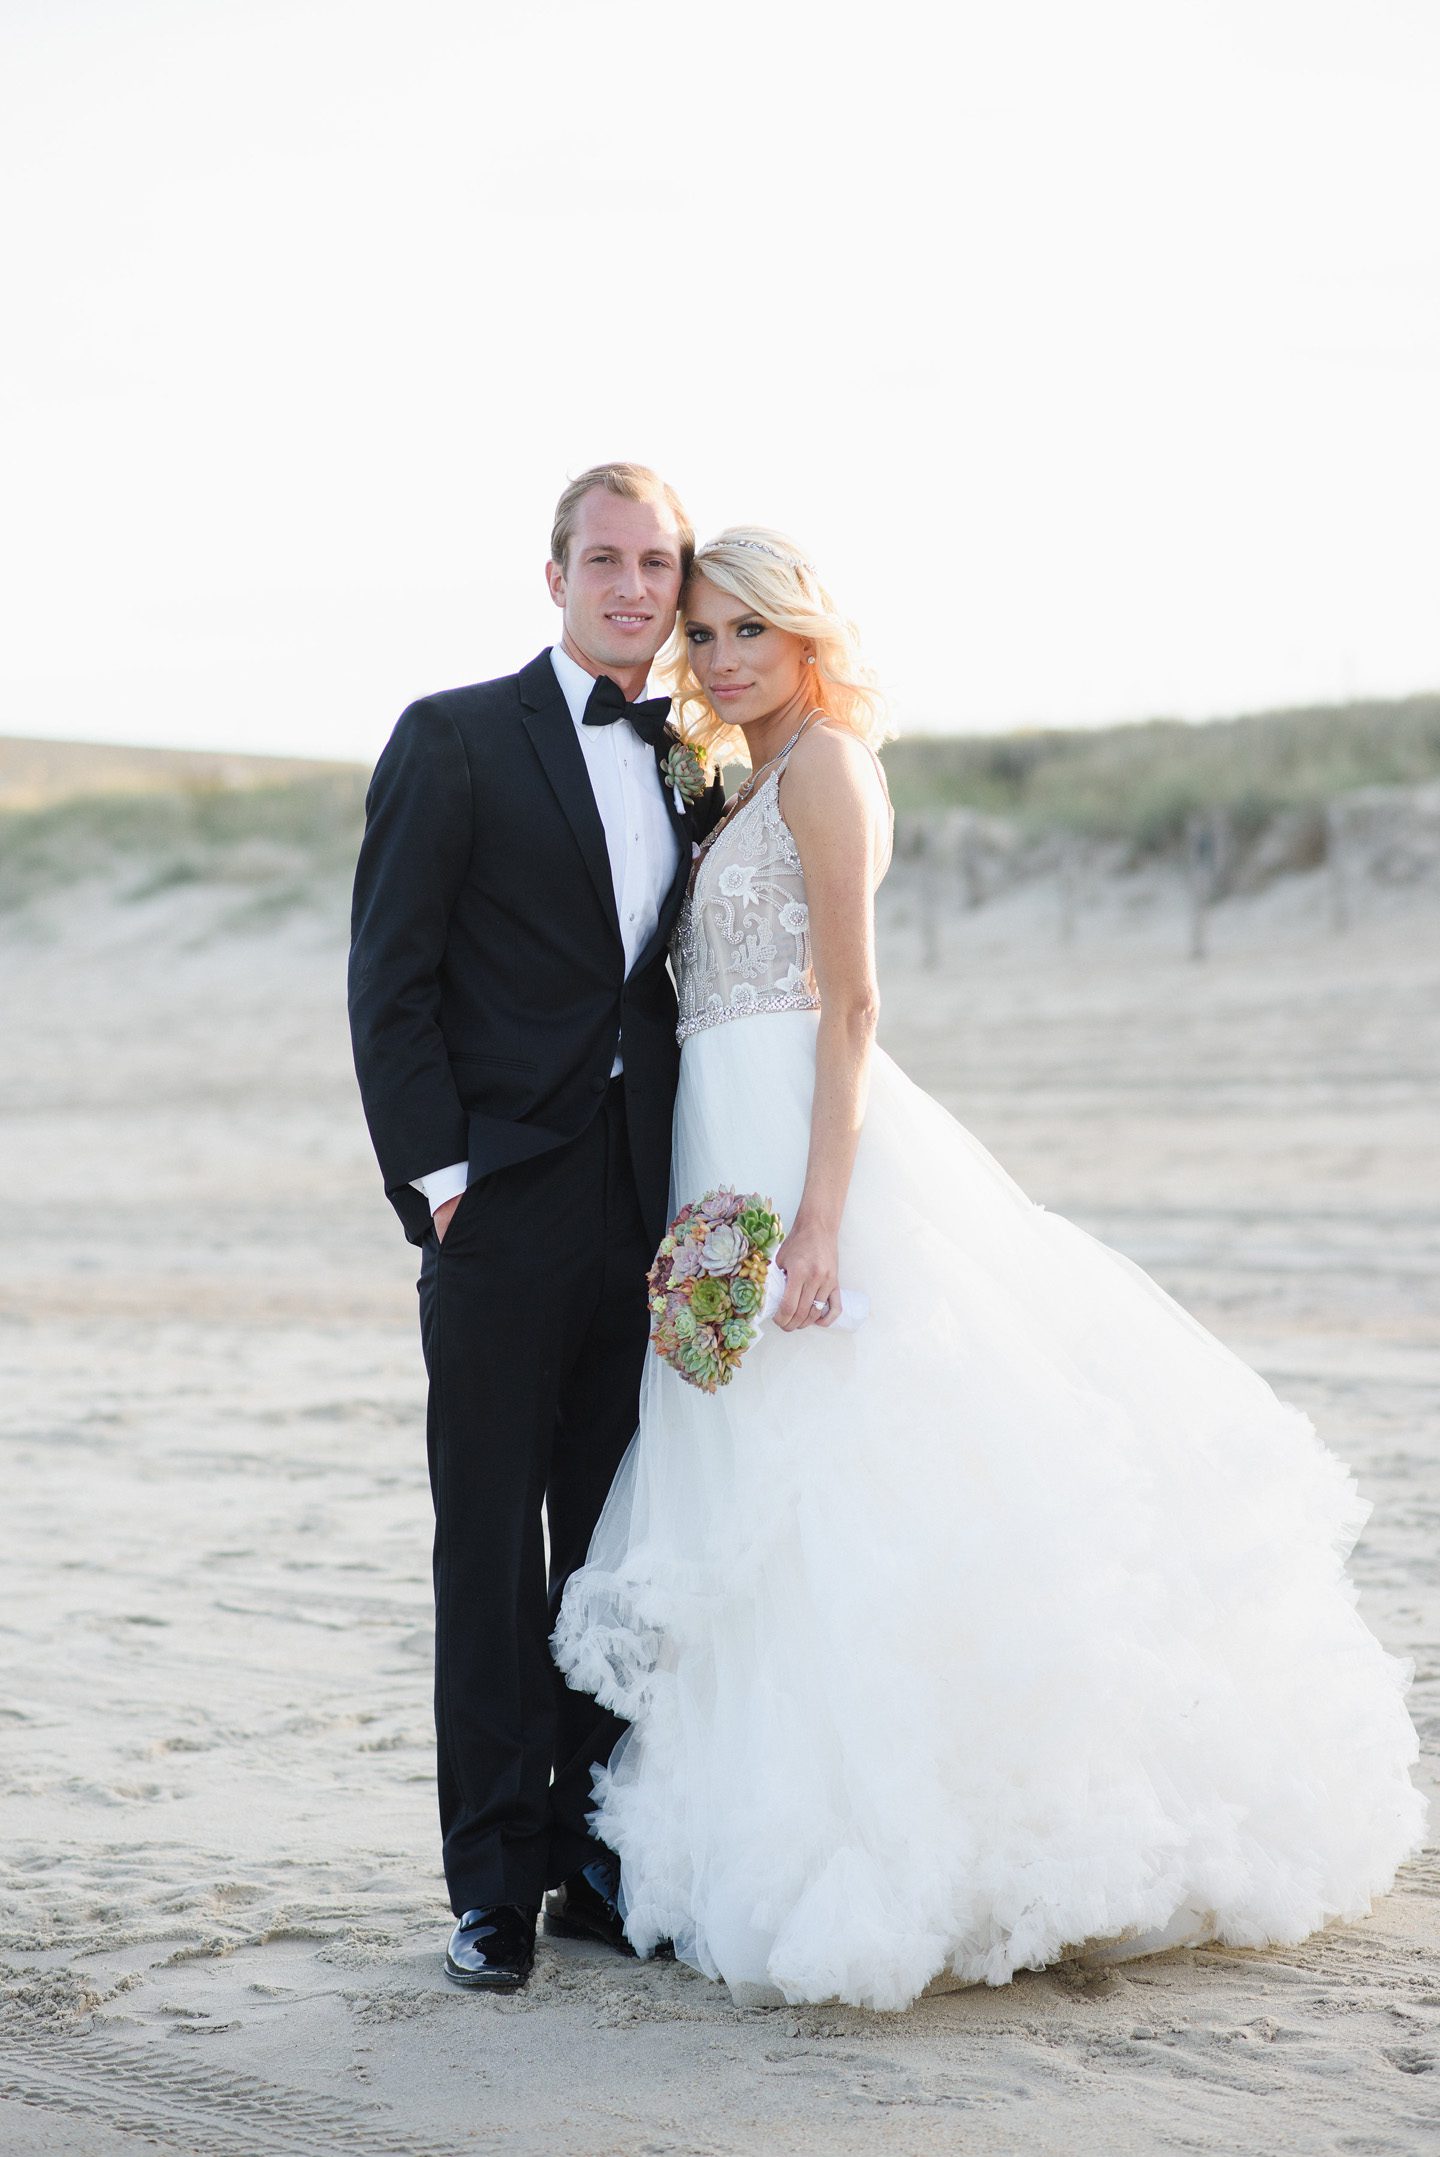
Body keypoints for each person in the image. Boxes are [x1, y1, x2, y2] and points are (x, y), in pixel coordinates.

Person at [551, 526, 1428, 2012]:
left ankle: (908, 1835)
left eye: (745, 627)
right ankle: (755, 1825)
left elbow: (855, 999)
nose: (718, 655)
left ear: (804, 630)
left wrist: (818, 1216)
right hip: (719, 1143)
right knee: (754, 1475)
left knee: (851, 1461)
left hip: (802, 1147)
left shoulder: (826, 764)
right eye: (701, 634)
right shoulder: (741, 772)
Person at [347, 463, 726, 1992]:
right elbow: (392, 980)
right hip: (500, 1217)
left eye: (658, 564)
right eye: (607, 560)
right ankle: (491, 1884)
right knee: (490, 1553)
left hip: (643, 1217)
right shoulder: (452, 739)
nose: (633, 586)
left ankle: (588, 1853)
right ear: (554, 571)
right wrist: (439, 1184)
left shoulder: (696, 759)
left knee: (612, 1554)